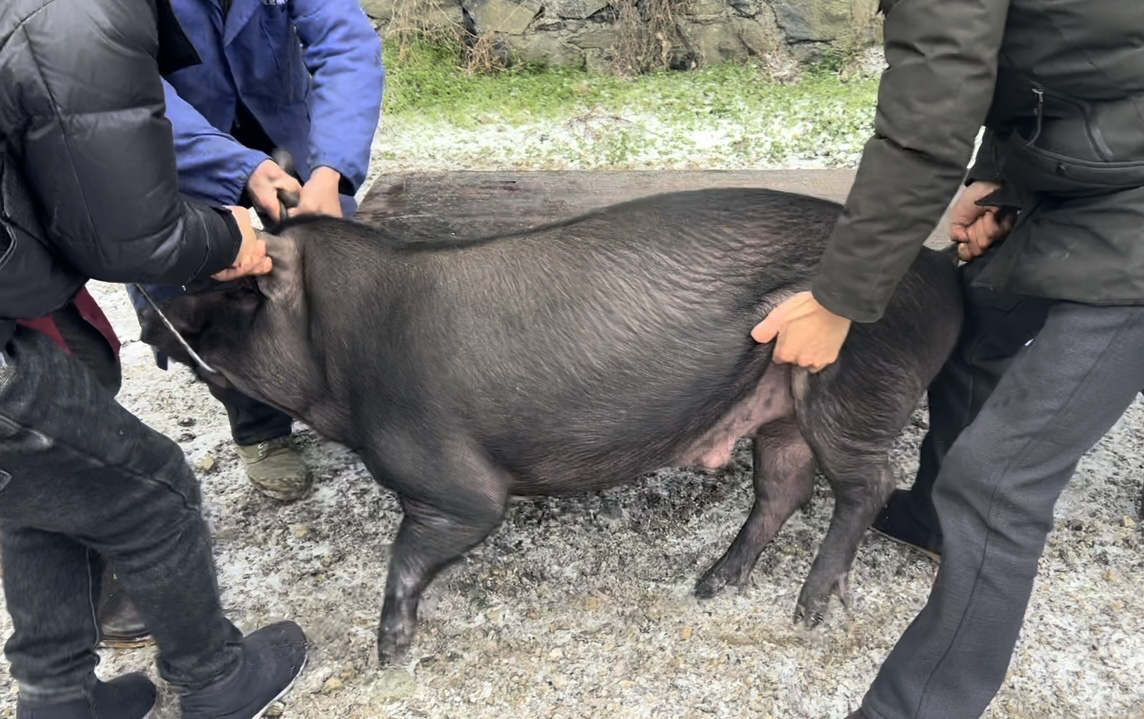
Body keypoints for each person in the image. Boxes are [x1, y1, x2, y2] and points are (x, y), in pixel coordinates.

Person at [751, 1, 1144, 718]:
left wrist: (837, 299)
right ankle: (933, 520)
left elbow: (929, 122)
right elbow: (1082, 55)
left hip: (1130, 218)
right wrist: (1002, 181)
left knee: (997, 481)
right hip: (1100, 177)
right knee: (969, 317)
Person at [0, 0, 309, 716]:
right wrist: (232, 239)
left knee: (41, 493)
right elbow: (127, 236)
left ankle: (57, 698)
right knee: (155, 490)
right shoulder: (81, 15)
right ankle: (215, 678)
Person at [123, 0, 385, 506]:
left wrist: (330, 169)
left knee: (336, 273)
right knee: (217, 297)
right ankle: (260, 427)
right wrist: (239, 169)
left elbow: (345, 43)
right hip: (174, 152)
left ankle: (350, 399)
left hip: (289, 137)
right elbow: (126, 84)